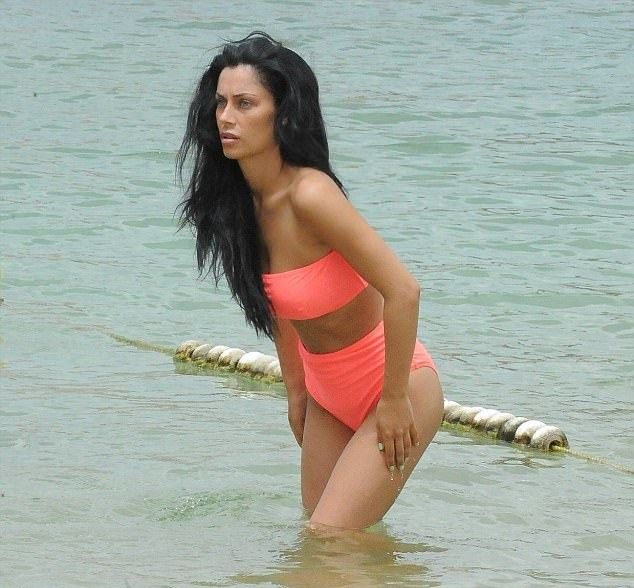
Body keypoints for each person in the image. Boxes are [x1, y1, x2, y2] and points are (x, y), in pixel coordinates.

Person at [177, 32, 444, 530]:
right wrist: (296, 391)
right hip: (325, 393)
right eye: (220, 102)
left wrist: (393, 401)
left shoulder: (311, 195)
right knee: (322, 539)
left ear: (282, 114)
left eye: (245, 103)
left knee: (329, 537)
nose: (226, 117)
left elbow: (404, 291)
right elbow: (279, 308)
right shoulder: (244, 207)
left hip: (395, 385)